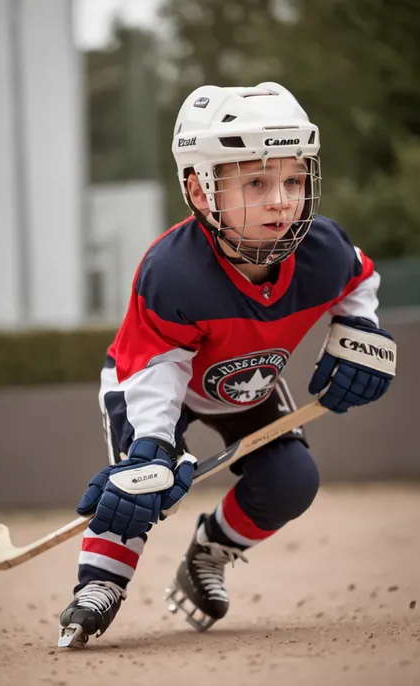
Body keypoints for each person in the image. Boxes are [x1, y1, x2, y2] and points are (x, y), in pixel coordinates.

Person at [57, 82, 397, 647]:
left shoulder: (323, 250)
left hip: (249, 383)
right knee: (139, 487)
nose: (283, 201)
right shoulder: (172, 272)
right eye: (257, 182)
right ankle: (99, 584)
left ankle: (207, 554)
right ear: (199, 188)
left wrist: (359, 328)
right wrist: (153, 448)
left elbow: (361, 278)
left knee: (292, 481)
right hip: (152, 382)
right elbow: (157, 368)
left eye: (292, 180)